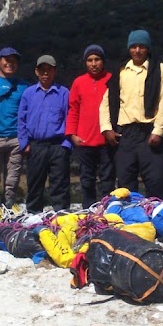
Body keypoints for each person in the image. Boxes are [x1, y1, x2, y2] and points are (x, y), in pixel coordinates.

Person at [99, 29, 163, 199]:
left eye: (142, 47)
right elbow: (106, 102)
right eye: (133, 47)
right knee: (125, 184)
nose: (137, 51)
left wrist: (159, 130)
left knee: (156, 182)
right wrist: (107, 128)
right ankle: (131, 222)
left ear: (148, 48)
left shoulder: (159, 69)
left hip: (150, 132)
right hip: (125, 134)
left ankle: (157, 220)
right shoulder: (121, 71)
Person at [18, 55, 71, 211]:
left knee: (60, 184)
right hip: (36, 146)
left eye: (49, 70)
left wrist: (67, 145)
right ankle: (34, 216)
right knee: (34, 183)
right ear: (36, 71)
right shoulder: (28, 93)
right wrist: (24, 143)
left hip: (58, 145)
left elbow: (70, 118)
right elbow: (21, 119)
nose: (45, 73)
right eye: (42, 70)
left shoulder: (64, 93)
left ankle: (62, 216)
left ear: (54, 71)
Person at [67, 45, 114, 208]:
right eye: (90, 60)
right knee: (87, 178)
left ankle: (108, 210)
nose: (93, 64)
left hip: (106, 140)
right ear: (85, 63)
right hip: (84, 140)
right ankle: (89, 210)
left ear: (103, 61)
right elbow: (73, 109)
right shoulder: (78, 82)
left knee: (107, 178)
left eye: (97, 59)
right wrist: (72, 134)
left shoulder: (111, 79)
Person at [0, 47, 31, 206]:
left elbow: (28, 114)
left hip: (16, 139)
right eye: (6, 60)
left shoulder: (24, 86)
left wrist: (26, 139)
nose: (10, 63)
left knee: (12, 182)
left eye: (13, 61)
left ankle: (8, 212)